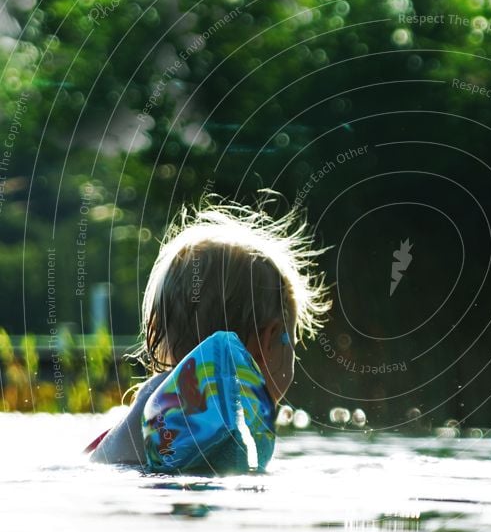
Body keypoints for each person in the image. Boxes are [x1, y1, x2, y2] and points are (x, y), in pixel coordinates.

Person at [87, 195, 330, 473]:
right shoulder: (209, 413)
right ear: (268, 339)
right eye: (293, 340)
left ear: (155, 327)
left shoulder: (154, 400)